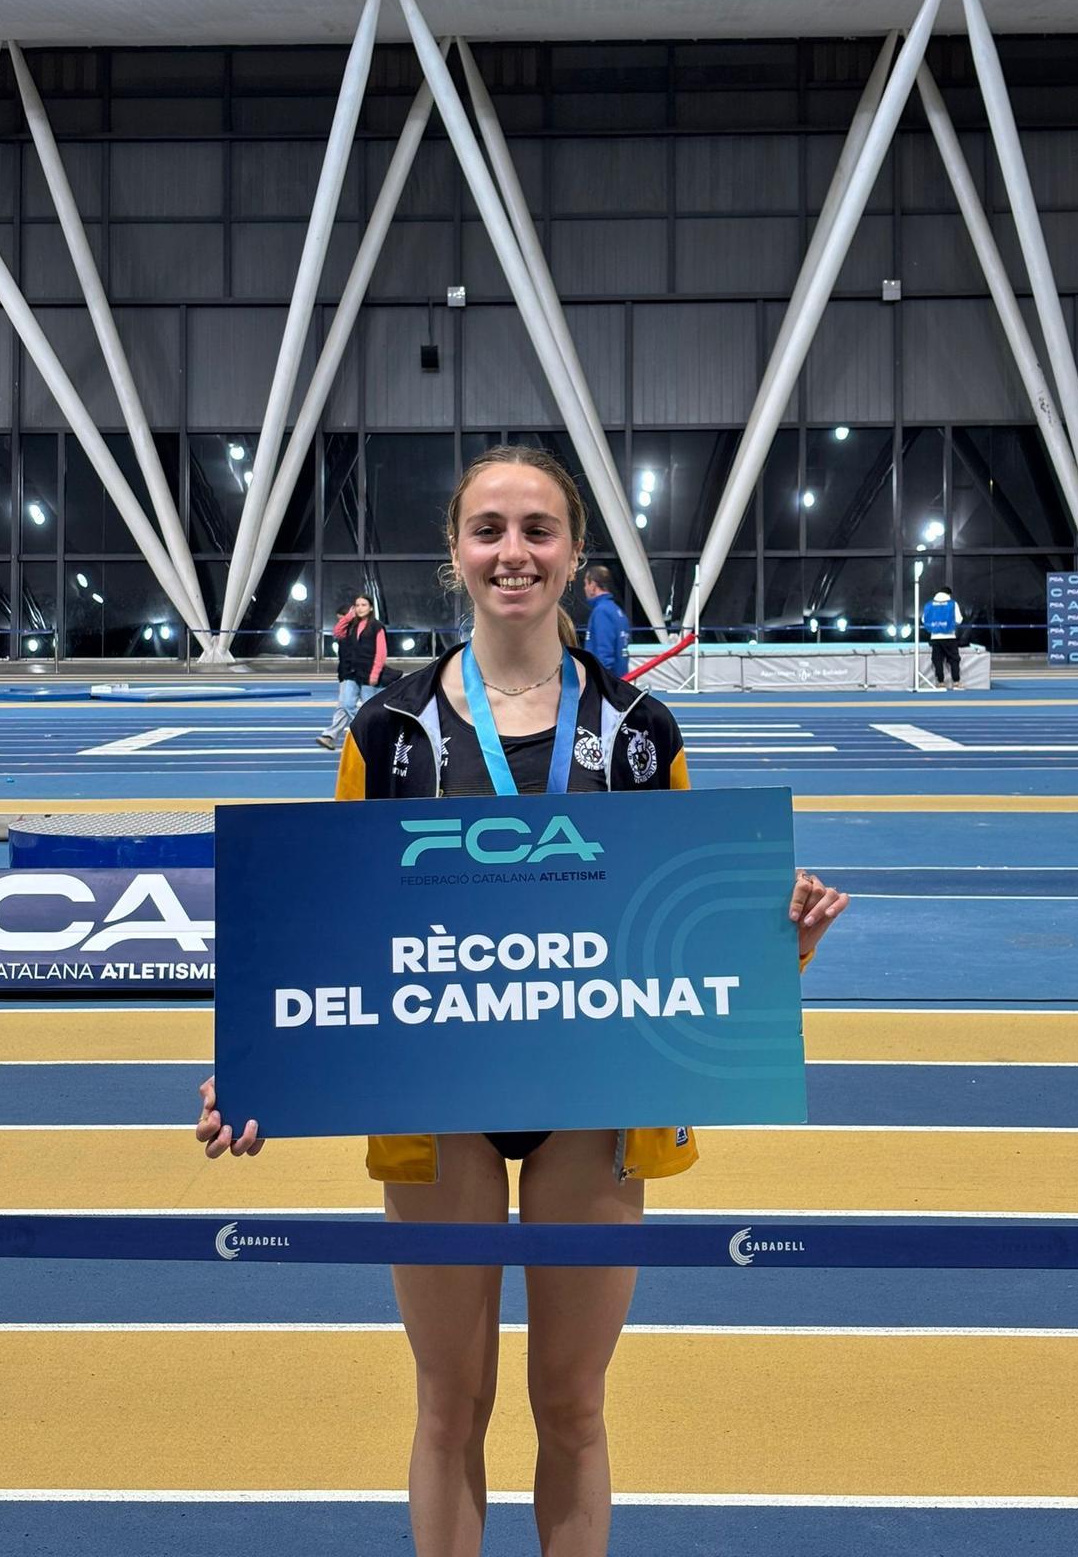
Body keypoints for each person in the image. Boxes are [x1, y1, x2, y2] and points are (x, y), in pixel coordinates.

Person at [197, 445, 849, 1557]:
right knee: (450, 1409)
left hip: (592, 1109)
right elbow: (337, 938)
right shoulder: (388, 734)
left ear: (573, 552)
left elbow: (685, 963)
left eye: (537, 530)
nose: (514, 553)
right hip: (438, 1106)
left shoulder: (642, 732)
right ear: (455, 554)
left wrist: (774, 956)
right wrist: (261, 1063)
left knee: (576, 1410)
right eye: (490, 529)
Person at [317, 593, 387, 750]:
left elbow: (381, 652)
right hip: (352, 673)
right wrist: (348, 618)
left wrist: (375, 673)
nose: (360, 608)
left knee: (369, 708)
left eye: (363, 605)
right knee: (347, 704)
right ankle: (366, 730)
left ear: (370, 608)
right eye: (357, 605)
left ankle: (373, 735)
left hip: (368, 673)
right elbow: (337, 632)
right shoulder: (351, 625)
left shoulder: (377, 626)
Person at [582, 564, 631, 678]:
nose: (584, 588)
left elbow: (604, 654)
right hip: (619, 681)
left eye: (585, 583)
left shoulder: (602, 611)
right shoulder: (617, 611)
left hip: (606, 684)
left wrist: (600, 685)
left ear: (593, 585)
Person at [921, 585, 964, 690]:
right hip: (950, 637)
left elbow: (924, 620)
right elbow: (959, 619)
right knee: (954, 660)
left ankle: (940, 683)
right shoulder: (953, 604)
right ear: (949, 594)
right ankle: (956, 683)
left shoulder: (930, 605)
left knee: (938, 660)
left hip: (935, 637)